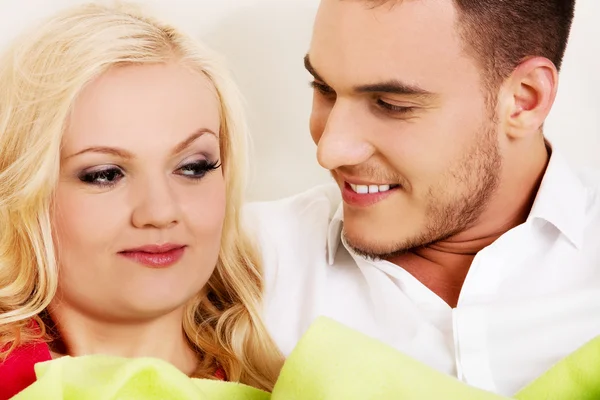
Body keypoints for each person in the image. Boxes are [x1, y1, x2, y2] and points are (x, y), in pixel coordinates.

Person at [246, 0, 600, 396]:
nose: (330, 150)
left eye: (391, 105)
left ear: (525, 99)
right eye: (324, 89)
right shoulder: (239, 263)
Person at [0, 3, 282, 399]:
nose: (160, 212)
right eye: (105, 174)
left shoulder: (297, 382)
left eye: (192, 167)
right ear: (25, 191)